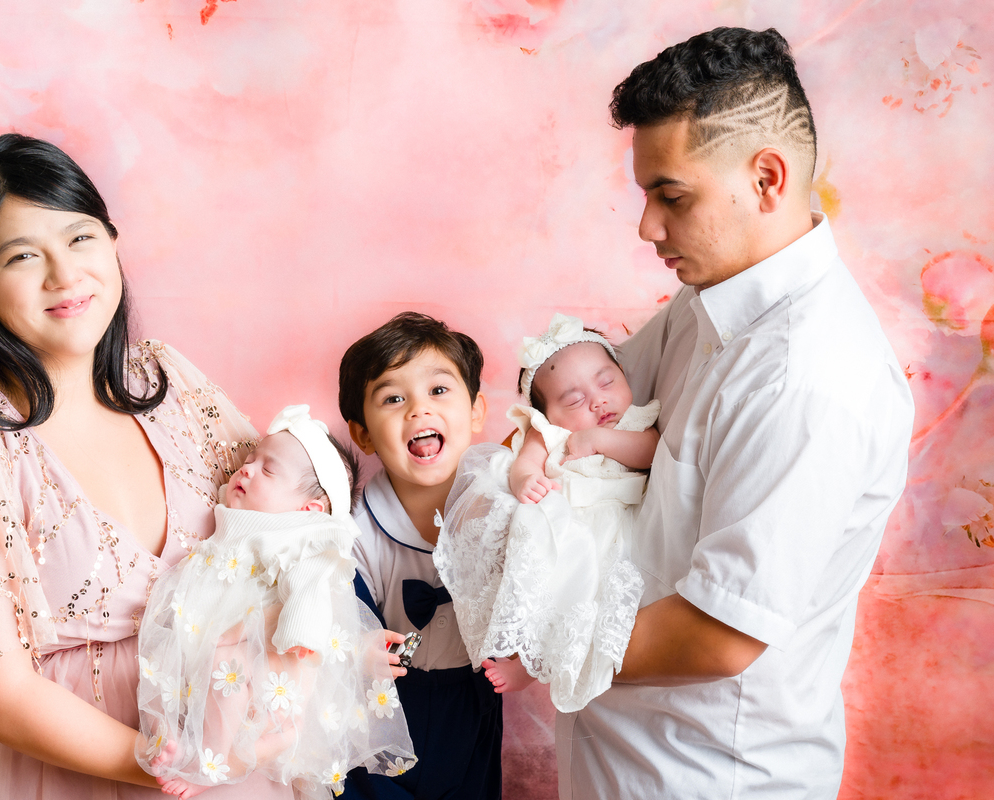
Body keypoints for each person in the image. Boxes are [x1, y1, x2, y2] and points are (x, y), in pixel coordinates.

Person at [0, 133, 294, 798]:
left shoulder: (172, 384)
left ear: (112, 242)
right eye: (23, 255)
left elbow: (285, 537)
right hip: (58, 776)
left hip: (227, 760)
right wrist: (170, 766)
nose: (64, 275)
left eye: (80, 238)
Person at [553, 27, 915, 799]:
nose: (648, 227)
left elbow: (718, 634)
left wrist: (532, 635)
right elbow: (591, 404)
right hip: (621, 764)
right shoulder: (706, 301)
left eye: (671, 196)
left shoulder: (810, 381)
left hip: (708, 778)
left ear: (767, 179)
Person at [136, 405, 415, 798]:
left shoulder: (304, 537)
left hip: (268, 650)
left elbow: (311, 586)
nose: (247, 469)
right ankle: (178, 738)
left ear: (310, 510)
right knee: (169, 668)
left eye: (268, 470)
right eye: (250, 460)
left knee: (225, 669)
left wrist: (300, 633)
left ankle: (214, 761)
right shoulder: (236, 511)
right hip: (210, 626)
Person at [435, 311, 658, 712]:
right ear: (548, 413)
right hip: (561, 517)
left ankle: (548, 662)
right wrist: (525, 480)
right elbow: (525, 462)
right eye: (573, 400)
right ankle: (525, 660)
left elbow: (650, 452)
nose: (597, 400)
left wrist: (600, 438)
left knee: (589, 594)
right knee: (537, 571)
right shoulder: (548, 431)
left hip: (608, 523)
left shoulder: (635, 422)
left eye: (607, 382)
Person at [336, 312, 501, 800]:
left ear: (476, 411)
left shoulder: (503, 504)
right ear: (363, 434)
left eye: (439, 390)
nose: (418, 409)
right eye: (393, 398)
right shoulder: (353, 530)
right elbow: (338, 625)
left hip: (474, 698)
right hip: (381, 705)